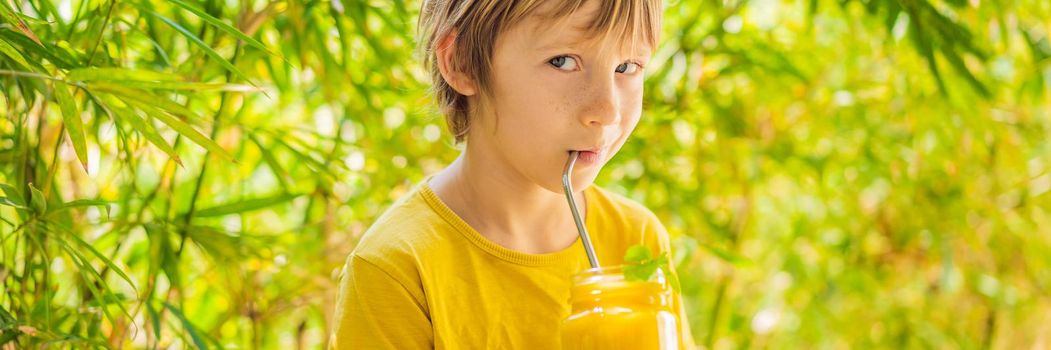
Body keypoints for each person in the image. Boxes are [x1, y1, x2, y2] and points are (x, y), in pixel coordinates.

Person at [331, 0, 694, 348]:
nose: (607, 110)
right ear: (461, 62)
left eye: (627, 67)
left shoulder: (634, 241)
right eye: (563, 61)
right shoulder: (397, 269)